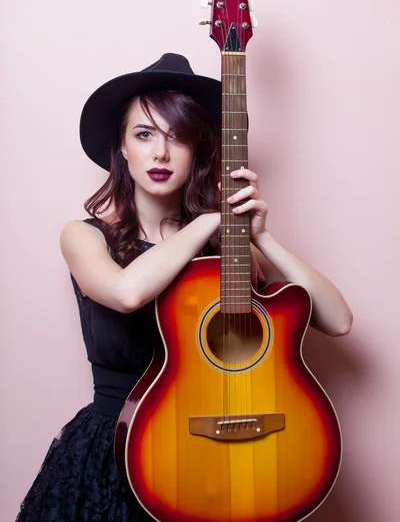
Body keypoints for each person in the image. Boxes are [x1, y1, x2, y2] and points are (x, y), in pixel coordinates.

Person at [16, 53, 353, 522]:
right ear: (122, 148)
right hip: (121, 447)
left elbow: (338, 321)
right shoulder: (84, 236)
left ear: (198, 150)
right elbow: (127, 292)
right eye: (144, 134)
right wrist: (213, 221)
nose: (160, 153)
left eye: (178, 138)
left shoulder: (226, 252)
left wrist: (259, 237)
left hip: (211, 455)